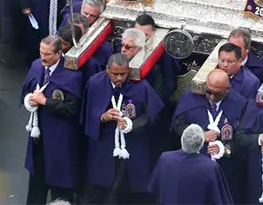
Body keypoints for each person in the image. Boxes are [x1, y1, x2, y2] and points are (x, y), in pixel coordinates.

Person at [81, 52, 163, 204]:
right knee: (99, 187)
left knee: (127, 189)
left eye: (123, 74)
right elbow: (86, 113)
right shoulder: (95, 83)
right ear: (107, 69)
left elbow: (153, 116)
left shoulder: (141, 86)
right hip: (104, 144)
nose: (119, 78)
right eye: (114, 74)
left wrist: (133, 124)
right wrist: (102, 117)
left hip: (132, 145)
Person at [21, 36, 83, 204]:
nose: (43, 57)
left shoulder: (72, 75)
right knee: (36, 183)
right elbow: (26, 90)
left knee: (60, 183)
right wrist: (30, 100)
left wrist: (46, 102)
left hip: (59, 138)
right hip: (38, 137)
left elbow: (72, 109)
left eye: (47, 54)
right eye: (41, 52)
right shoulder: (36, 65)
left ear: (59, 53)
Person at [171, 69, 249, 202]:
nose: (212, 97)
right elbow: (178, 126)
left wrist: (226, 149)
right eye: (209, 91)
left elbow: (242, 136)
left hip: (224, 168)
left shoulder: (239, 103)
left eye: (218, 94)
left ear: (228, 89)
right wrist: (200, 135)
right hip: (193, 163)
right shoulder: (190, 98)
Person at [147, 124, 235, 204]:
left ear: (182, 139)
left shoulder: (165, 159)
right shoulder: (210, 167)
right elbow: (220, 199)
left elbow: (154, 189)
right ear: (201, 143)